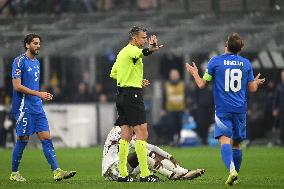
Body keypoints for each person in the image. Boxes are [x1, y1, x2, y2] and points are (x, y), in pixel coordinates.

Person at [186, 32, 265, 185]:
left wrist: (195, 73)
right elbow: (252, 89)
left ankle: (231, 171)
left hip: (223, 109)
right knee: (237, 144)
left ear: (226, 46)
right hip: (240, 110)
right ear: (239, 49)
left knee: (224, 141)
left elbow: (202, 84)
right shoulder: (246, 64)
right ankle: (235, 177)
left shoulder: (215, 62)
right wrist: (255, 82)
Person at [10, 33, 76, 182]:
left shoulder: (37, 62)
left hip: (37, 107)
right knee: (23, 139)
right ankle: (14, 173)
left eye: (39, 43)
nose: (38, 46)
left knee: (46, 138)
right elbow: (17, 86)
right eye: (34, 43)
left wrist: (41, 96)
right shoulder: (19, 61)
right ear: (27, 45)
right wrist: (39, 93)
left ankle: (56, 171)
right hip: (23, 107)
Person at [109, 26, 163, 182]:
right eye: (143, 38)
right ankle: (145, 174)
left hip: (122, 95)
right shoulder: (132, 50)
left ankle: (122, 174)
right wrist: (151, 49)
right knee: (142, 133)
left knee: (126, 134)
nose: (145, 40)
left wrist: (134, 79)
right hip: (132, 95)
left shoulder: (122, 53)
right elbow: (142, 52)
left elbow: (113, 73)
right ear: (134, 39)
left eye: (146, 38)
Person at [102, 126, 205, 181]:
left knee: (148, 157)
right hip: (111, 170)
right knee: (142, 155)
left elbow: (151, 147)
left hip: (122, 171)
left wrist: (170, 156)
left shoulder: (129, 131)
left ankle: (183, 172)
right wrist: (154, 156)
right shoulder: (117, 130)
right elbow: (137, 147)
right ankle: (173, 175)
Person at [273, 69, 284, 145]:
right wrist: (274, 109)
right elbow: (276, 98)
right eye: (282, 75)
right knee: (282, 125)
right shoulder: (279, 87)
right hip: (281, 109)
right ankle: (282, 141)